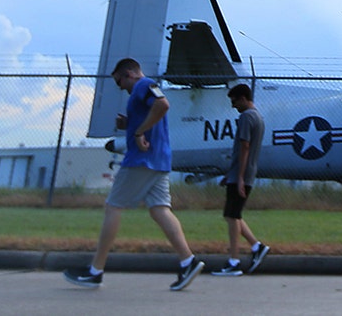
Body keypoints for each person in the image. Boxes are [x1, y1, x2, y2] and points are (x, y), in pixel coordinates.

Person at [63, 58, 205, 292]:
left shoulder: (142, 85)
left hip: (141, 160)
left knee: (113, 207)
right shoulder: (143, 89)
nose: (122, 88)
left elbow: (163, 105)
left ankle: (95, 271)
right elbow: (154, 115)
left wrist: (138, 131)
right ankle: (188, 261)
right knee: (160, 210)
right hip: (159, 160)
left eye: (120, 82)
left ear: (129, 73)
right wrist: (130, 124)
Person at [211, 83, 272, 277]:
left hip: (242, 174)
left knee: (232, 217)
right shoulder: (258, 117)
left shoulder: (246, 117)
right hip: (243, 173)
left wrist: (238, 177)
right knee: (233, 214)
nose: (233, 105)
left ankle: (234, 261)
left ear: (244, 98)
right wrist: (230, 175)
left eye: (234, 101)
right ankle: (256, 247)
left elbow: (244, 147)